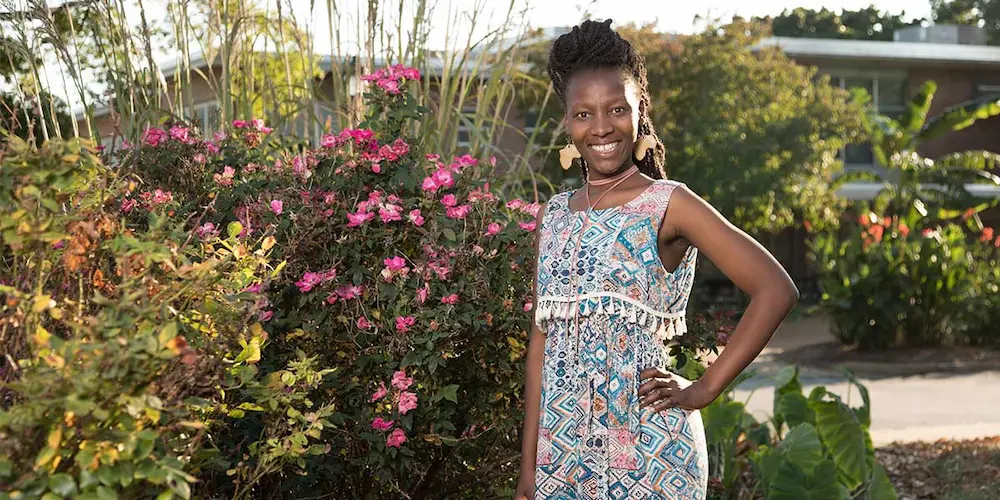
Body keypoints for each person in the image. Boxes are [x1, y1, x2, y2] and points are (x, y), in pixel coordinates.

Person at [514, 19, 799, 499]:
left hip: (649, 451)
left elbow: (776, 289)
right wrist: (528, 468)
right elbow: (541, 343)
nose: (601, 127)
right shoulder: (555, 215)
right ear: (565, 122)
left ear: (639, 110)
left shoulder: (669, 203)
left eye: (616, 109)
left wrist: (703, 390)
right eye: (583, 114)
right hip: (562, 456)